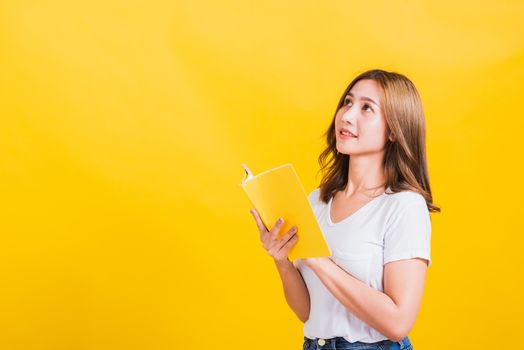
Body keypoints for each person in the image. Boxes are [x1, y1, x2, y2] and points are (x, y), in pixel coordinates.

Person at [249, 69, 440, 350]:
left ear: (393, 130)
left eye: (366, 108)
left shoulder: (403, 206)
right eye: (348, 102)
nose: (347, 116)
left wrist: (318, 260)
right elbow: (308, 312)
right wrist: (282, 261)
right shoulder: (316, 201)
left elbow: (398, 323)